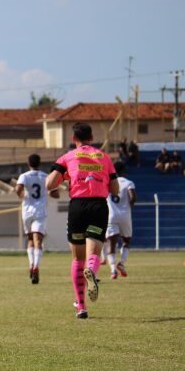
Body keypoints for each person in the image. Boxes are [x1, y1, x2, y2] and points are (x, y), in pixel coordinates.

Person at [46, 123, 118, 319]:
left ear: (73, 139)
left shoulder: (68, 156)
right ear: (91, 137)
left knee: (77, 258)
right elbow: (115, 189)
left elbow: (49, 183)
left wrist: (66, 177)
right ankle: (92, 271)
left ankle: (81, 306)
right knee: (93, 252)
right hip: (98, 207)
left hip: (77, 207)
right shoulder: (104, 157)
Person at [15, 154, 59, 284]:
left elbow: (18, 188)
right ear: (40, 163)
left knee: (30, 239)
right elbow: (55, 193)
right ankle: (36, 266)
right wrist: (50, 193)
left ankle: (31, 264)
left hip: (27, 211)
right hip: (40, 212)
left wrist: (22, 196)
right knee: (38, 240)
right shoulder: (46, 176)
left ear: (29, 163)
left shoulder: (24, 176)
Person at [105, 162, 136, 279]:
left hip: (111, 215)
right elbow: (133, 198)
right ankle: (121, 263)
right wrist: (127, 207)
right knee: (127, 240)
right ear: (124, 171)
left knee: (110, 242)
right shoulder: (129, 183)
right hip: (125, 215)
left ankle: (113, 270)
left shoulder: (108, 183)